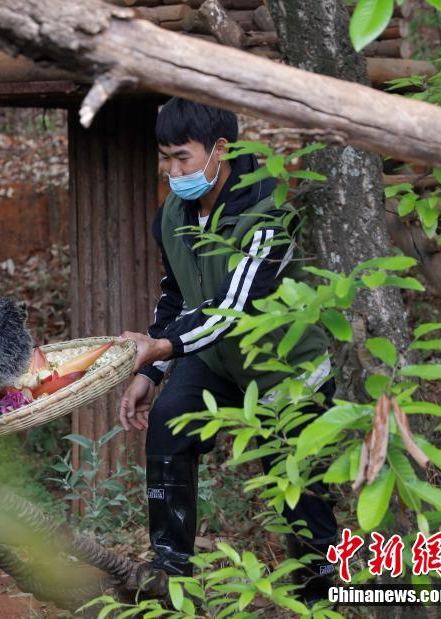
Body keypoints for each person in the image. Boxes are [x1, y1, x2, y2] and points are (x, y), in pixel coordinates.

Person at [118, 98, 338, 600]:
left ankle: (321, 589)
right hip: (216, 359)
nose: (171, 171)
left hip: (283, 364)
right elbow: (175, 293)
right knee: (170, 422)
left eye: (182, 158)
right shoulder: (173, 213)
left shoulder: (268, 211)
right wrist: (151, 374)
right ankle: (170, 574)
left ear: (221, 149)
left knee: (293, 480)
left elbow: (231, 306)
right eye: (164, 158)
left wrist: (158, 349)